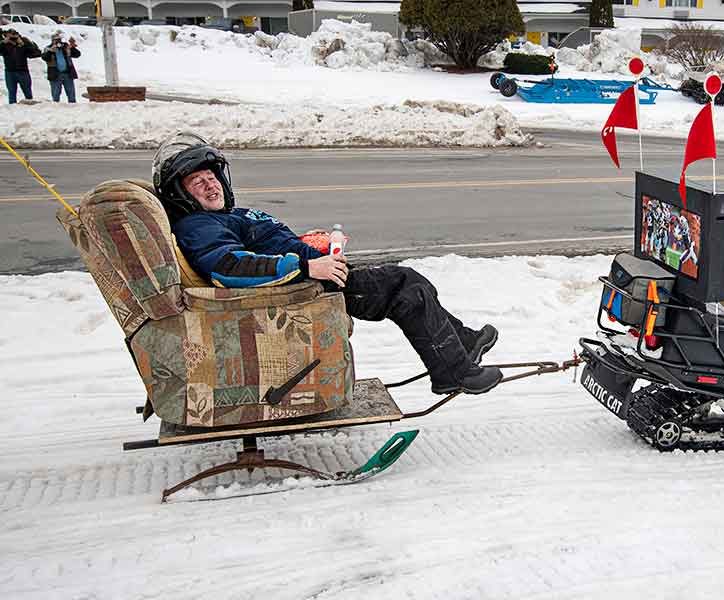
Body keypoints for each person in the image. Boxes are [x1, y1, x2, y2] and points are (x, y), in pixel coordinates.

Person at [152, 132, 503, 395]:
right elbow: (228, 266)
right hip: (302, 291)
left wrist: (309, 246)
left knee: (408, 283)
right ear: (180, 195)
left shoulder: (224, 216)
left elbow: (260, 246)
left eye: (211, 177)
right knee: (404, 286)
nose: (209, 185)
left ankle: (463, 343)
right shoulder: (198, 225)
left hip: (311, 276)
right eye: (197, 182)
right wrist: (307, 268)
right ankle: (453, 373)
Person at [1, 28, 39, 104]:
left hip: (23, 71)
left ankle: (30, 107)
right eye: (10, 35)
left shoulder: (23, 41)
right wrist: (3, 42)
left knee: (27, 92)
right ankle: (12, 108)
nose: (13, 37)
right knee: (12, 92)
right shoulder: (5, 44)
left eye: (14, 34)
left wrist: (23, 44)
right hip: (10, 72)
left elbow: (35, 53)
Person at [41, 31, 79, 103]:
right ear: (52, 40)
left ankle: (73, 107)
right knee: (55, 95)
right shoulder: (48, 48)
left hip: (67, 73)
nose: (58, 41)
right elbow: (44, 57)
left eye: (59, 39)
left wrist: (72, 47)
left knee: (71, 94)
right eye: (56, 40)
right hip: (55, 74)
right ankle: (56, 108)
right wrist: (51, 51)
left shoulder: (65, 46)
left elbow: (77, 54)